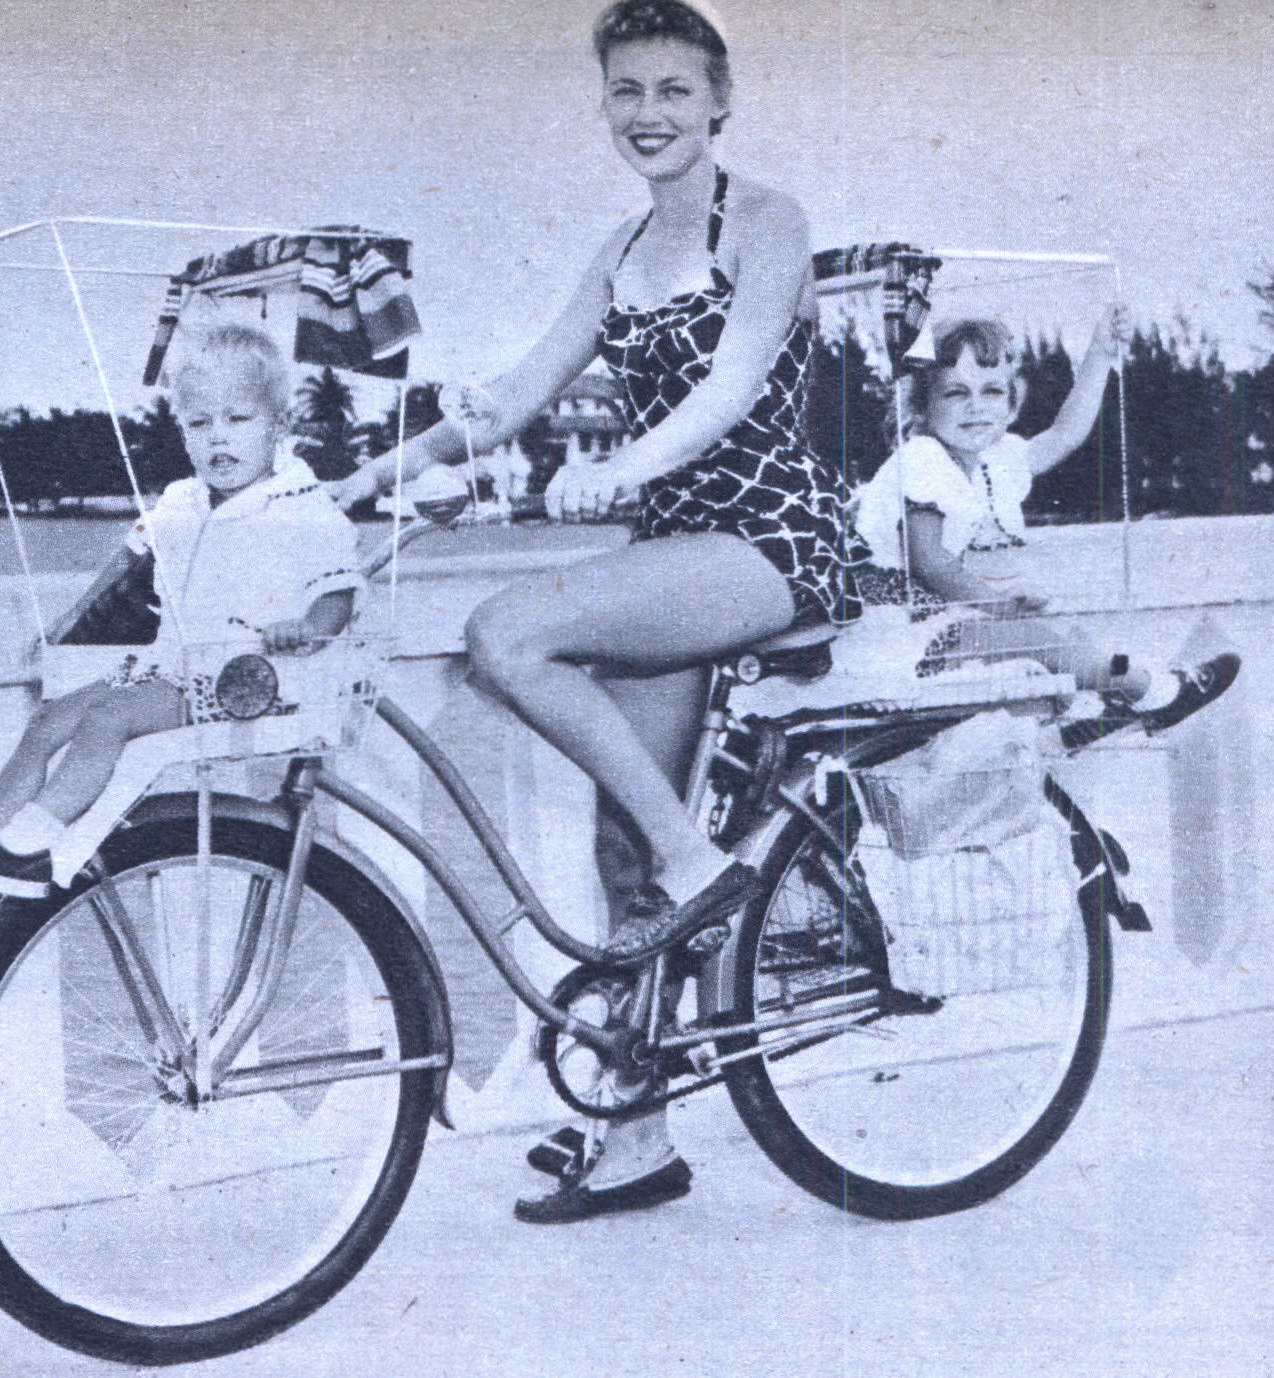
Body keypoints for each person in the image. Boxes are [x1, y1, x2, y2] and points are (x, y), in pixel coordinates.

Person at [333, 0, 865, 1222]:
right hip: (675, 549)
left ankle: (700, 862)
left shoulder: (768, 221)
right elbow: (516, 393)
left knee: (507, 636)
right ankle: (636, 1140)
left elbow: (733, 388)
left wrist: (621, 468)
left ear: (719, 103)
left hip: (773, 539)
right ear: (604, 109)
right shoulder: (619, 255)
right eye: (627, 92)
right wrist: (354, 485)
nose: (649, 115)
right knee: (624, 848)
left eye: (674, 91)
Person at [0, 319, 362, 908]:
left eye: (239, 420)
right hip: (173, 667)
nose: (219, 440)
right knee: (52, 720)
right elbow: (131, 557)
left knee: (109, 720)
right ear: (181, 430)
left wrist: (309, 628)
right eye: (199, 424)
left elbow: (337, 590)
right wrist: (69, 621)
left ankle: (30, 845)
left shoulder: (303, 507)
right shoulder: (185, 499)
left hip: (248, 679)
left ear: (279, 425)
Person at [852, 311, 1238, 743]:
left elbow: (1066, 433)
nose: (976, 406)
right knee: (1045, 644)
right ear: (923, 406)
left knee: (1063, 642)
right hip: (891, 629)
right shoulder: (922, 457)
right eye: (955, 393)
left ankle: (1091, 712)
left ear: (1012, 403)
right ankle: (1159, 693)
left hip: (926, 619)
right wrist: (998, 606)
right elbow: (930, 563)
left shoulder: (991, 459)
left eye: (992, 391)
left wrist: (1099, 356)